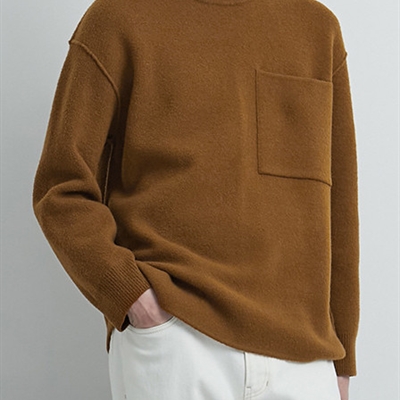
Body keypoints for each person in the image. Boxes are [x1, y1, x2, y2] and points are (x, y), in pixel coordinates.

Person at [32, 0, 360, 398]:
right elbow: (61, 188)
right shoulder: (118, 18)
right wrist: (134, 298)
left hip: (304, 362)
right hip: (178, 342)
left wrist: (342, 361)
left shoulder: (317, 29)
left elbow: (340, 211)